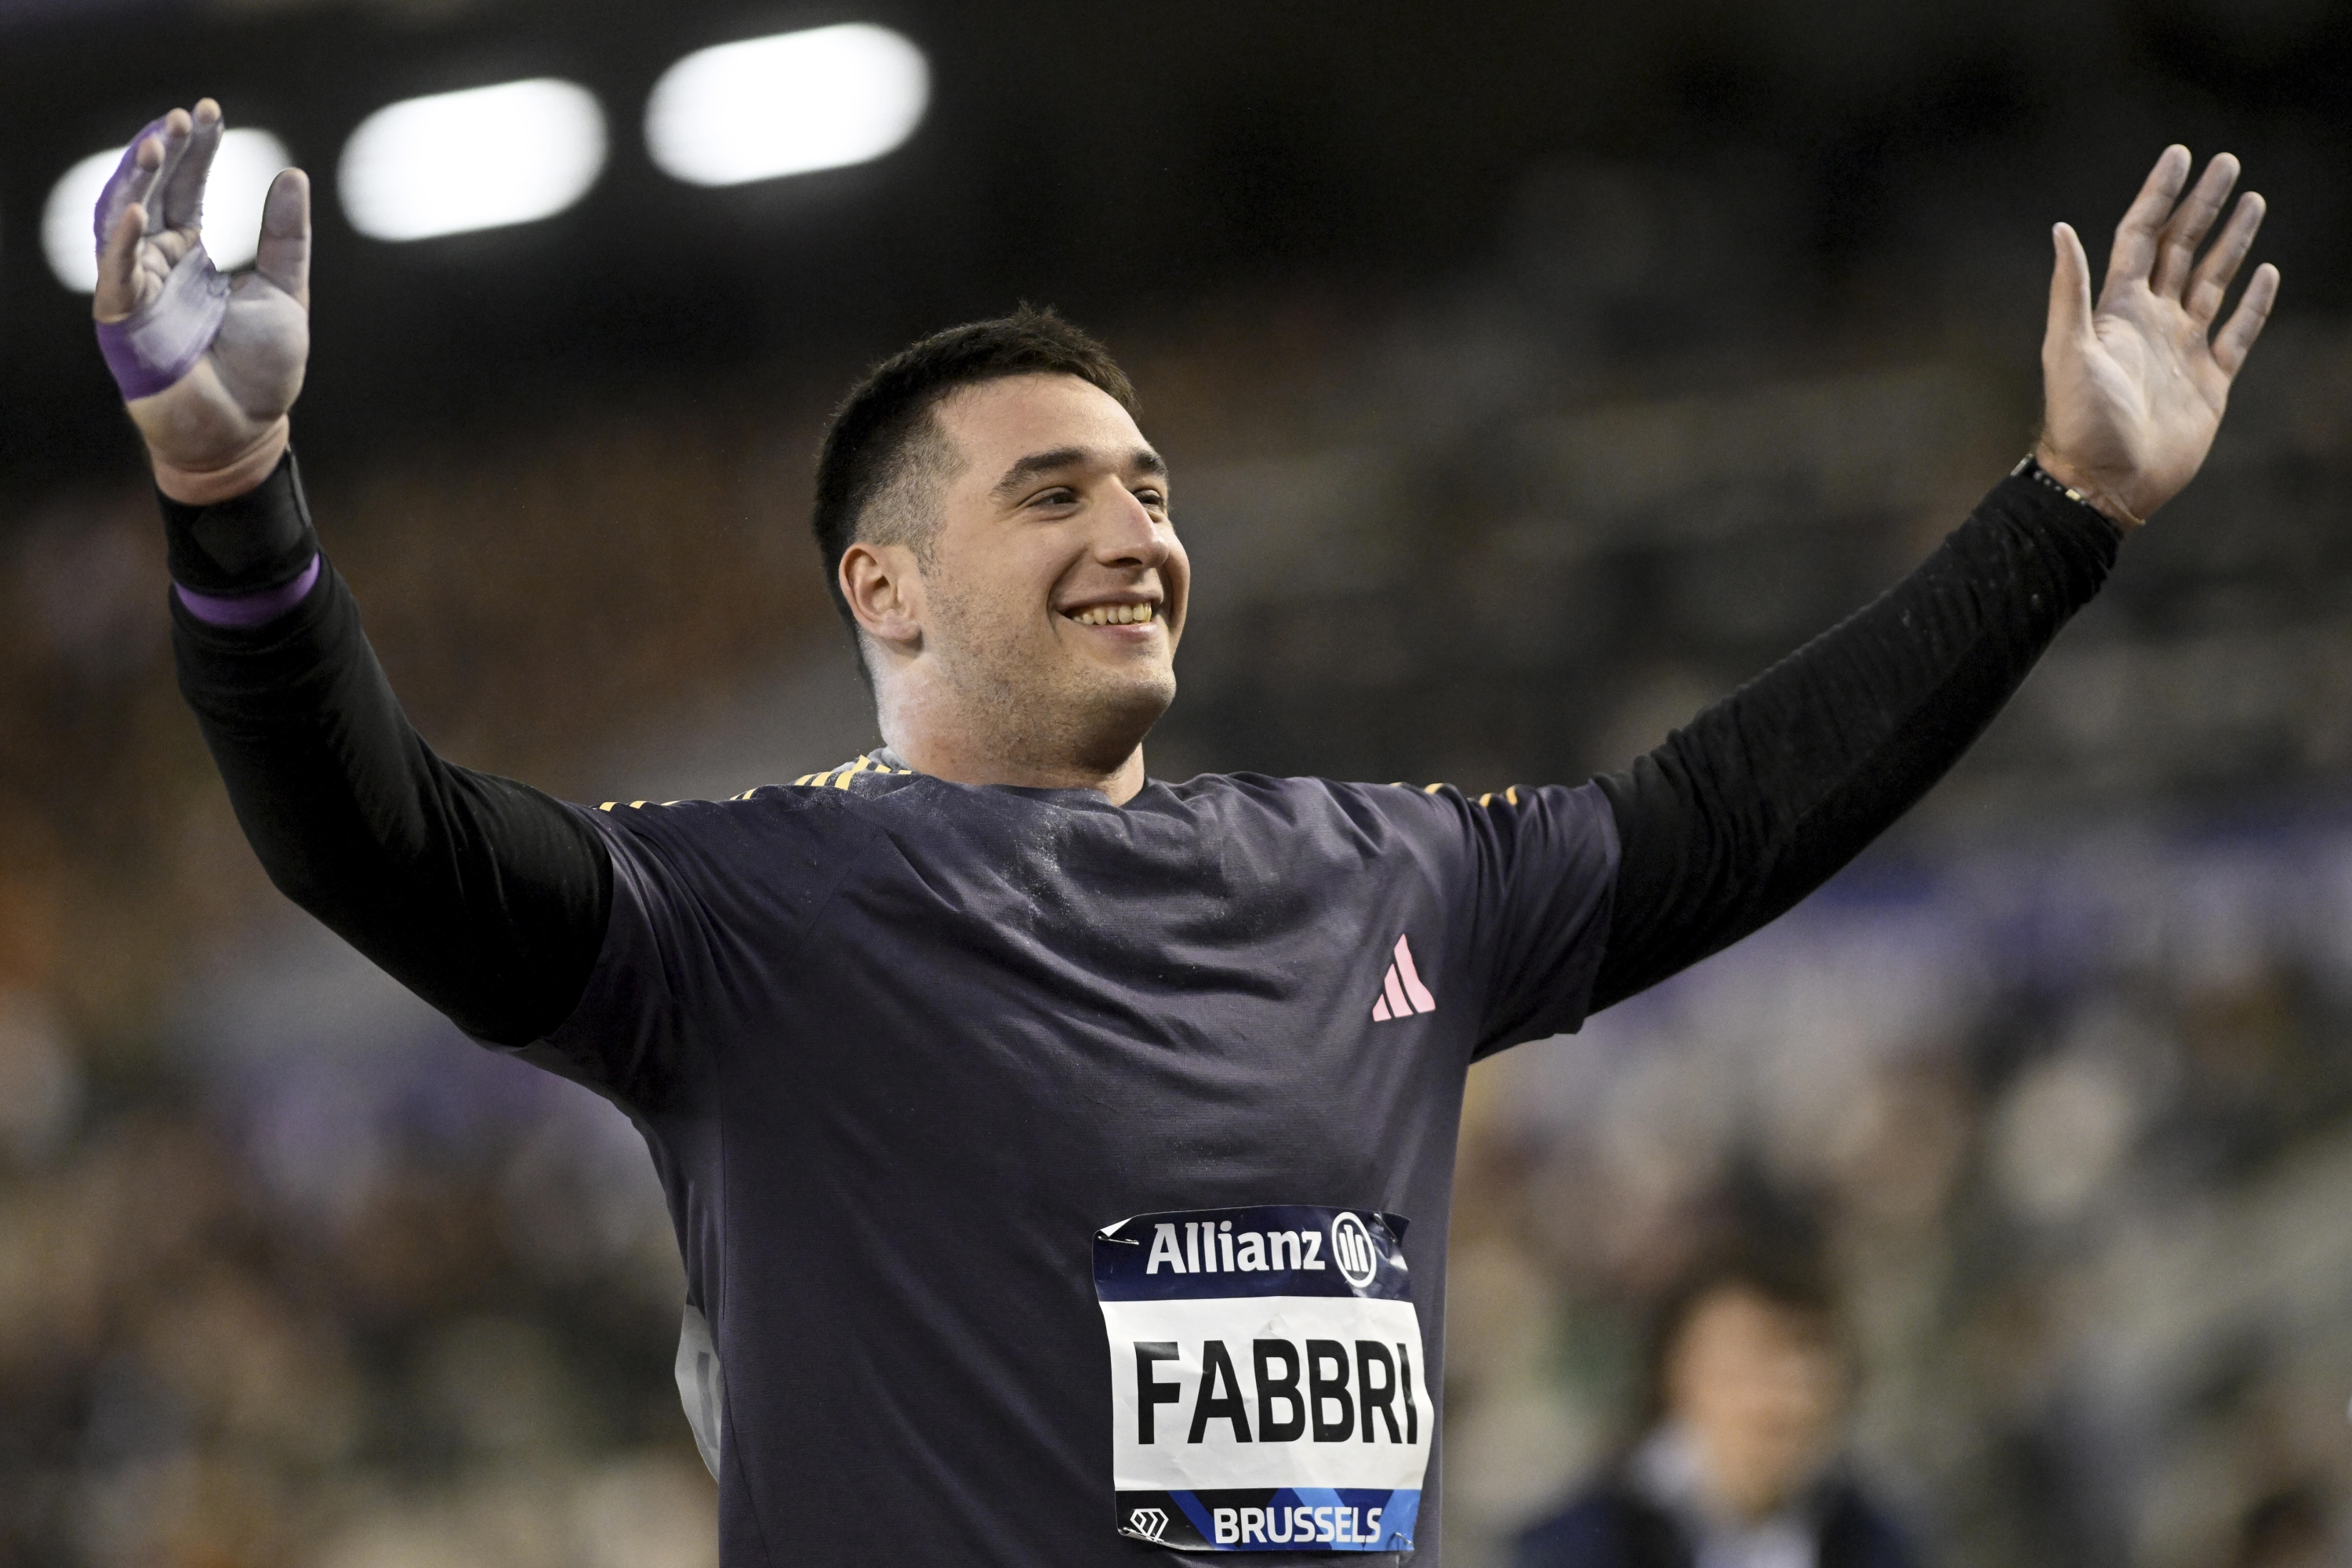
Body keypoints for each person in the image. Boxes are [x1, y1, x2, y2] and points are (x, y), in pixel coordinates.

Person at [85, 96, 2276, 1565]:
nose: (1136, 528)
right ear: (886, 588)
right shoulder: (749, 921)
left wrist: (2061, 515)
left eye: (1151, 486)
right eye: (1054, 490)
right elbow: (376, 843)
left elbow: (1734, 812)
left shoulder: (1384, 876)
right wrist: (230, 504)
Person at [1515, 1252, 1915, 1568]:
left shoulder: (1873, 1539)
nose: (1779, 1398)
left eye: (1805, 1367)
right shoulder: (1583, 1542)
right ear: (1678, 1375)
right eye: (1746, 1365)